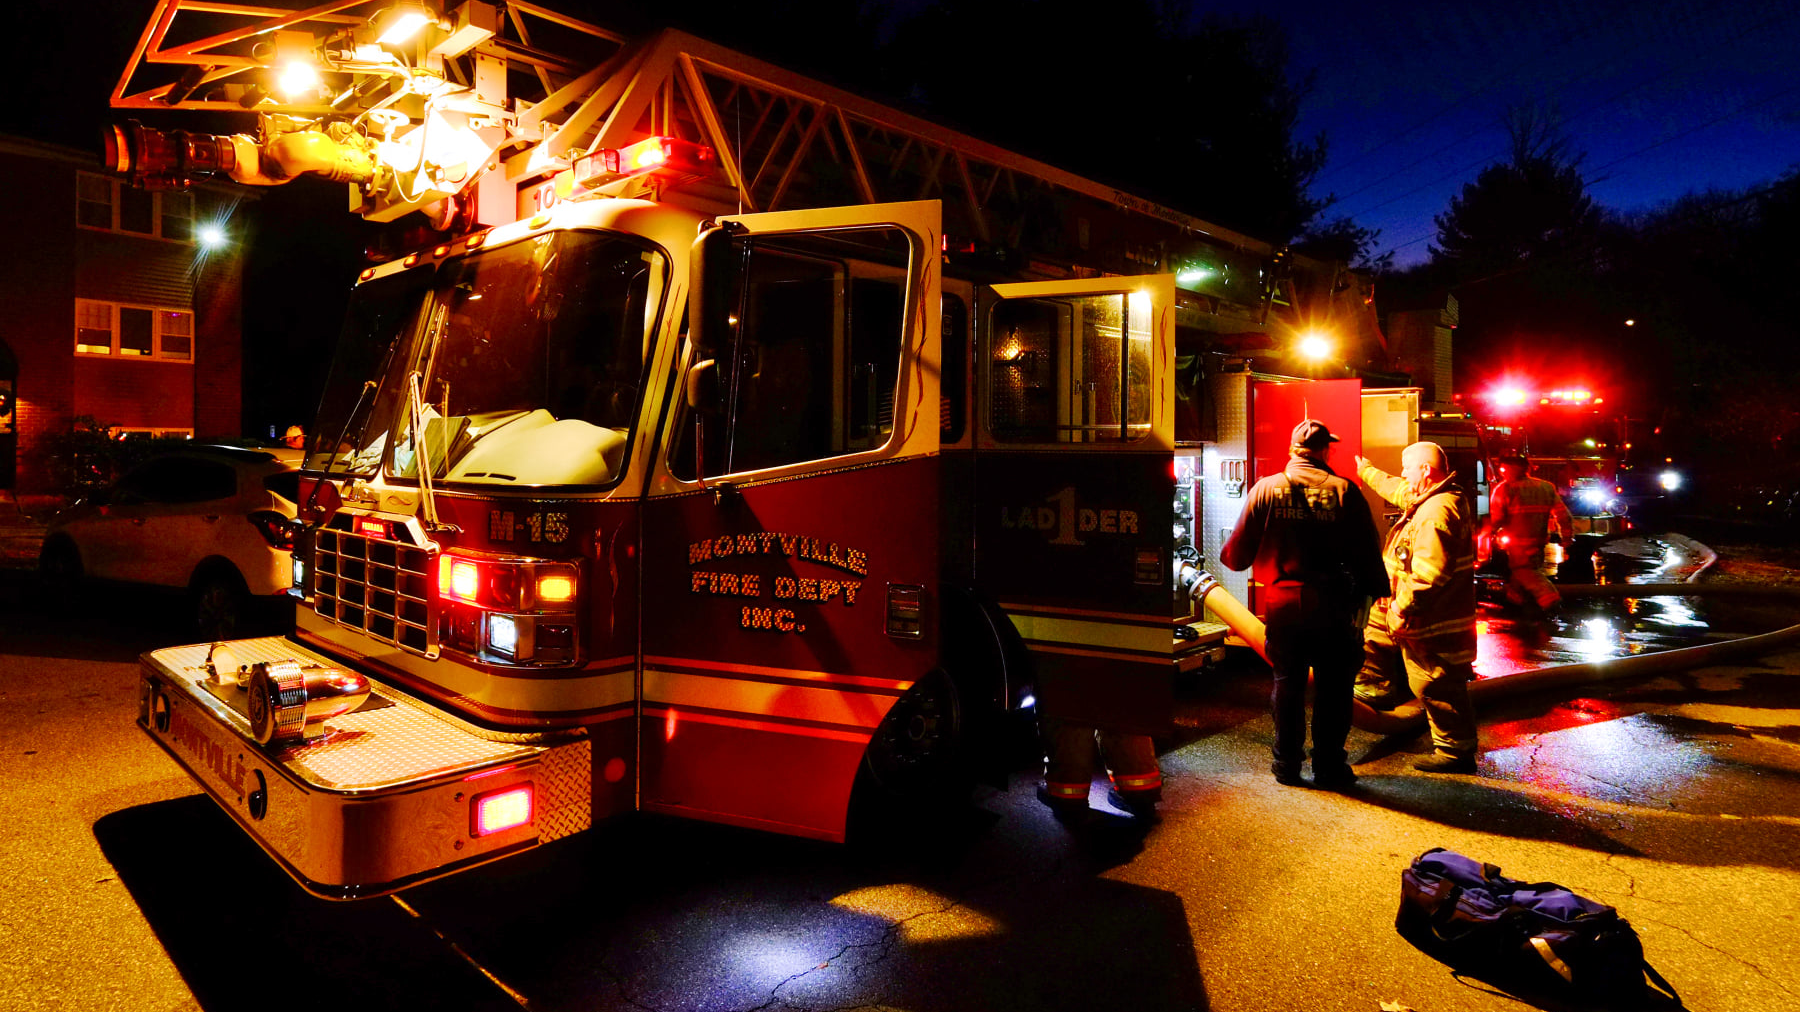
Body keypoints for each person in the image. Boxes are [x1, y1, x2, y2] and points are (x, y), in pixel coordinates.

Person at [1220, 419, 1388, 789]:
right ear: (1325, 450)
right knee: (1335, 689)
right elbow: (1367, 554)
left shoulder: (1265, 489)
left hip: (1283, 605)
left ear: (1293, 451)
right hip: (1334, 607)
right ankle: (1329, 768)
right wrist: (1373, 593)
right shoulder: (1345, 491)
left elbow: (1234, 557)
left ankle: (1286, 766)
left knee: (1287, 685)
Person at [1353, 442, 1480, 774]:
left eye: (1406, 467)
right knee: (1376, 630)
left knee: (1433, 682)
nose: (1403, 474)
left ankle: (1455, 753)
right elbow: (1395, 488)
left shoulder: (1436, 513)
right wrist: (1366, 471)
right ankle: (1374, 688)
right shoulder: (1429, 496)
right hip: (1414, 608)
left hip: (1431, 618)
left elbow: (1428, 575)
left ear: (1425, 470)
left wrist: (1401, 608)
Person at [1488, 454, 1574, 618]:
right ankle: (1517, 607)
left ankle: (1551, 602)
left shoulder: (1504, 489)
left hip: (1516, 545)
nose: (1502, 473)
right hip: (1538, 542)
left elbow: (1496, 520)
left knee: (1525, 572)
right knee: (1525, 575)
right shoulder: (1546, 487)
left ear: (1508, 469)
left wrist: (1484, 535)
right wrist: (1567, 537)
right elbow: (1563, 515)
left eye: (1503, 469)